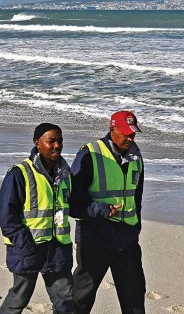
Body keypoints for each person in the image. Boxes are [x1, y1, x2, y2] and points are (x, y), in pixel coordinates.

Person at [69, 110, 146, 314]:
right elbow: (72, 201)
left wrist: (135, 228)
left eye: (133, 133)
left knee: (135, 298)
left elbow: (136, 198)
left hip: (127, 240)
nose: (130, 137)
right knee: (81, 298)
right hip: (94, 238)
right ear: (112, 129)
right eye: (125, 133)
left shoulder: (136, 157)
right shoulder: (90, 153)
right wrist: (100, 210)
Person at [0, 123, 74, 314]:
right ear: (37, 143)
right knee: (18, 299)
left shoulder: (65, 174)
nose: (57, 145)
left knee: (66, 301)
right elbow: (7, 216)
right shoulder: (19, 173)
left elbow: (75, 206)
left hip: (57, 249)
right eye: (51, 141)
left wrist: (103, 210)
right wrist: (25, 244)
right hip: (28, 249)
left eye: (60, 140)